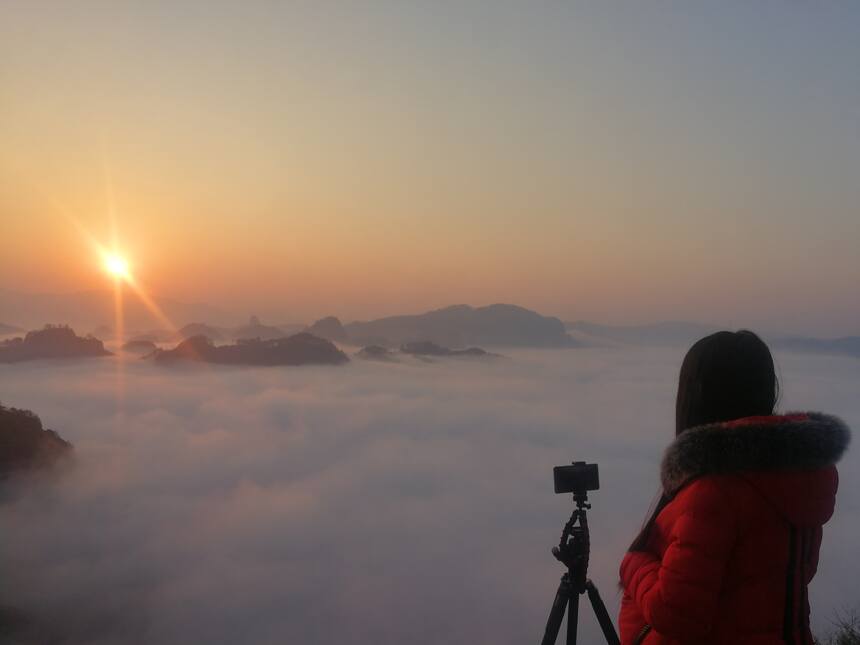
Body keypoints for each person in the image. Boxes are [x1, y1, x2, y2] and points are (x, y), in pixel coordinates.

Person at [618, 330, 850, 645]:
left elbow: (677, 615)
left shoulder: (714, 493)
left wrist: (633, 564)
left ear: (696, 398)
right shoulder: (799, 477)